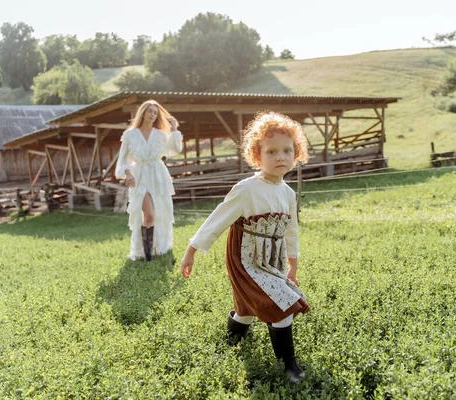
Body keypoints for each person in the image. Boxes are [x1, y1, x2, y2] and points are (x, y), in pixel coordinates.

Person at [179, 111, 310, 382]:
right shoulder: (246, 189)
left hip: (271, 260)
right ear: (257, 155)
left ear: (296, 154)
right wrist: (192, 249)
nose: (280, 157)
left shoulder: (288, 193)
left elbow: (291, 230)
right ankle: (290, 365)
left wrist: (292, 263)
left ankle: (230, 342)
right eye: (271, 151)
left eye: (287, 151)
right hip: (245, 259)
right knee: (281, 303)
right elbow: (218, 219)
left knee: (246, 308)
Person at [115, 99, 183, 261]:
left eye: (155, 112)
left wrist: (174, 129)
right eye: (149, 111)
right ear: (143, 113)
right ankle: (146, 255)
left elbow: (176, 150)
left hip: (158, 176)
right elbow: (123, 160)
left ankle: (156, 248)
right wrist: (128, 173)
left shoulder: (160, 134)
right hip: (140, 176)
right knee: (149, 215)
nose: (152, 114)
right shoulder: (130, 135)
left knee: (160, 212)